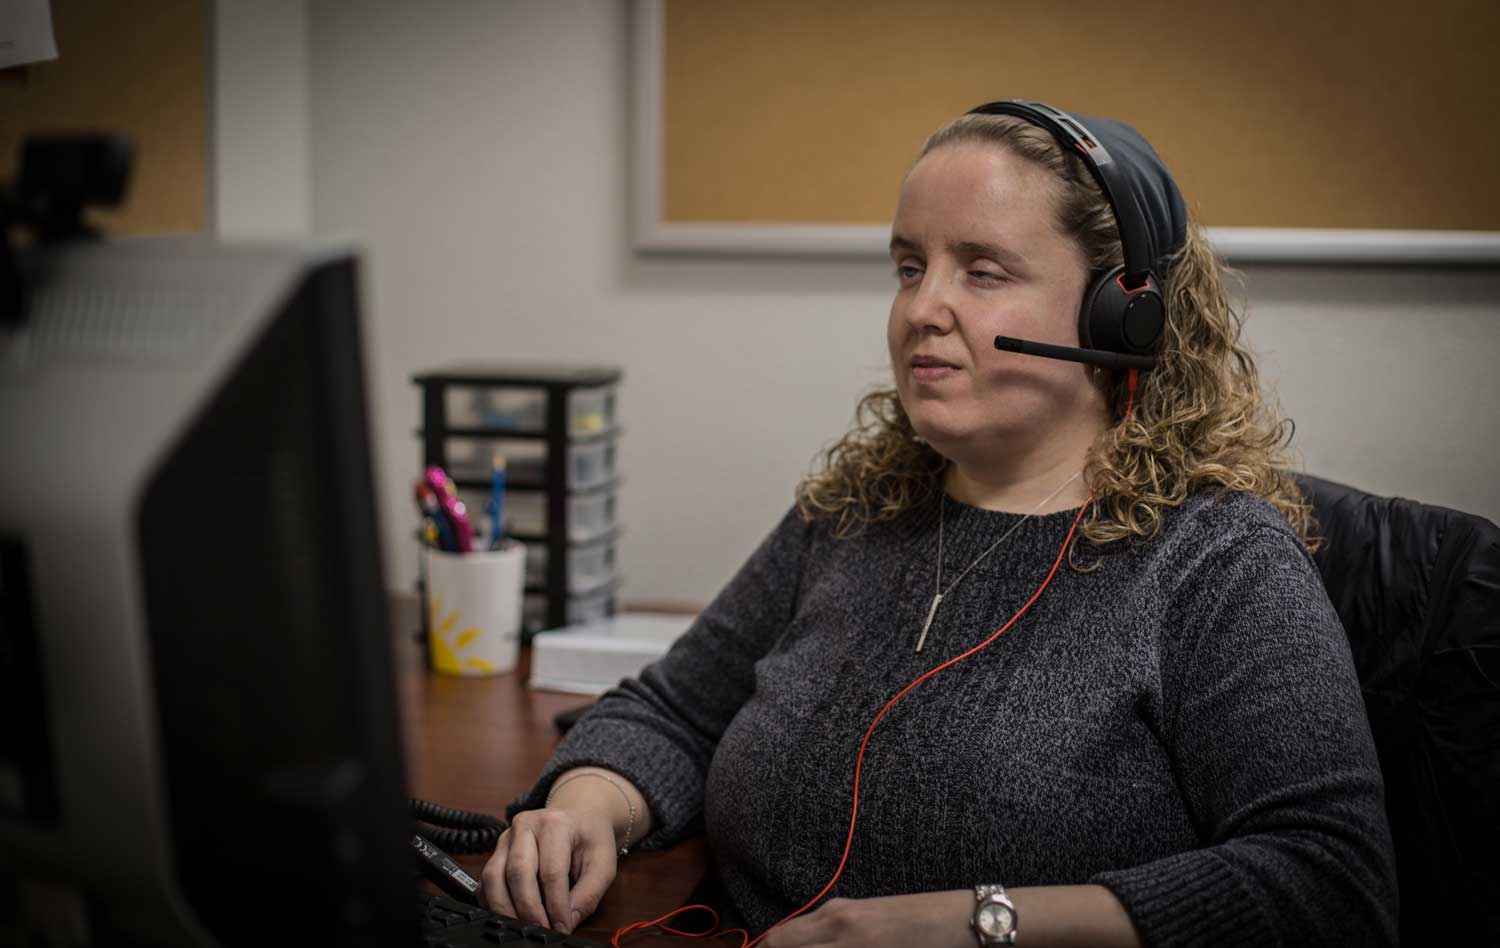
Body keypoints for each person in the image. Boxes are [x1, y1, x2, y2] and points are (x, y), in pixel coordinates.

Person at [482, 101, 1398, 947]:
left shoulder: (1220, 563)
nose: (922, 309)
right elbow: (678, 708)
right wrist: (590, 802)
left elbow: (1330, 882)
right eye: (910, 268)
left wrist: (979, 923)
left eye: (984, 272)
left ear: (1124, 312)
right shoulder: (854, 511)